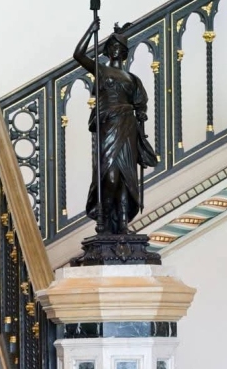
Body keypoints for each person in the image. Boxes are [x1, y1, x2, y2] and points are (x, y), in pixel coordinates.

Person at [73, 20, 158, 235]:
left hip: (127, 126)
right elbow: (79, 55)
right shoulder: (101, 70)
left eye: (120, 48)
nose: (116, 51)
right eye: (113, 47)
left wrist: (141, 112)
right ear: (108, 51)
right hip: (109, 125)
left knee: (125, 176)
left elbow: (141, 103)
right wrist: (90, 30)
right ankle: (102, 220)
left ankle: (121, 224)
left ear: (125, 52)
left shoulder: (132, 79)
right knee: (109, 175)